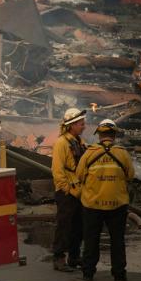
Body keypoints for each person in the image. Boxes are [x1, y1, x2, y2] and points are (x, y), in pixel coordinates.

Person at [75, 119, 134, 281]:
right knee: (117, 240)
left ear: (99, 135)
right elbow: (130, 176)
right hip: (117, 205)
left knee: (91, 240)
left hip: (92, 205)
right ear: (114, 135)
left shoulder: (89, 153)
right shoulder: (123, 153)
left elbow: (79, 176)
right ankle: (119, 274)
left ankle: (88, 273)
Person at [51, 107, 87, 272]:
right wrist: (66, 189)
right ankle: (59, 258)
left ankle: (74, 256)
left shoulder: (79, 142)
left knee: (78, 226)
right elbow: (58, 171)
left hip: (79, 191)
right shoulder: (61, 143)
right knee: (64, 226)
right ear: (71, 125)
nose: (84, 126)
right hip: (67, 193)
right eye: (81, 123)